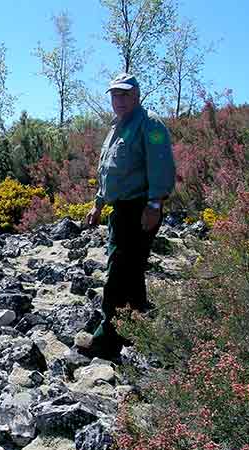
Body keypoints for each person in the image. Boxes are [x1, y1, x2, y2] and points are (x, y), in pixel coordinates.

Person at [80, 73, 176, 360]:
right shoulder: (116, 128)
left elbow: (162, 167)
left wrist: (155, 206)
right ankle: (138, 329)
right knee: (131, 271)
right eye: (114, 95)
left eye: (124, 95)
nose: (118, 100)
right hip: (120, 210)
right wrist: (98, 204)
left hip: (141, 209)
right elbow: (107, 171)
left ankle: (106, 341)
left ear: (136, 95)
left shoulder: (150, 125)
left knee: (118, 275)